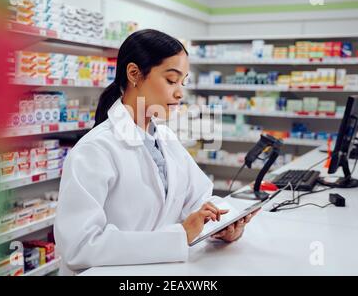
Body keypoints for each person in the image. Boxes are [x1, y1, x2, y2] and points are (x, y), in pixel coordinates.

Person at [54, 29, 258, 275]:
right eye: (171, 80)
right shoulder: (94, 150)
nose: (180, 93)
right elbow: (80, 247)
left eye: (183, 83)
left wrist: (222, 224)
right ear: (134, 74)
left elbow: (197, 199)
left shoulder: (165, 139)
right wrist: (179, 236)